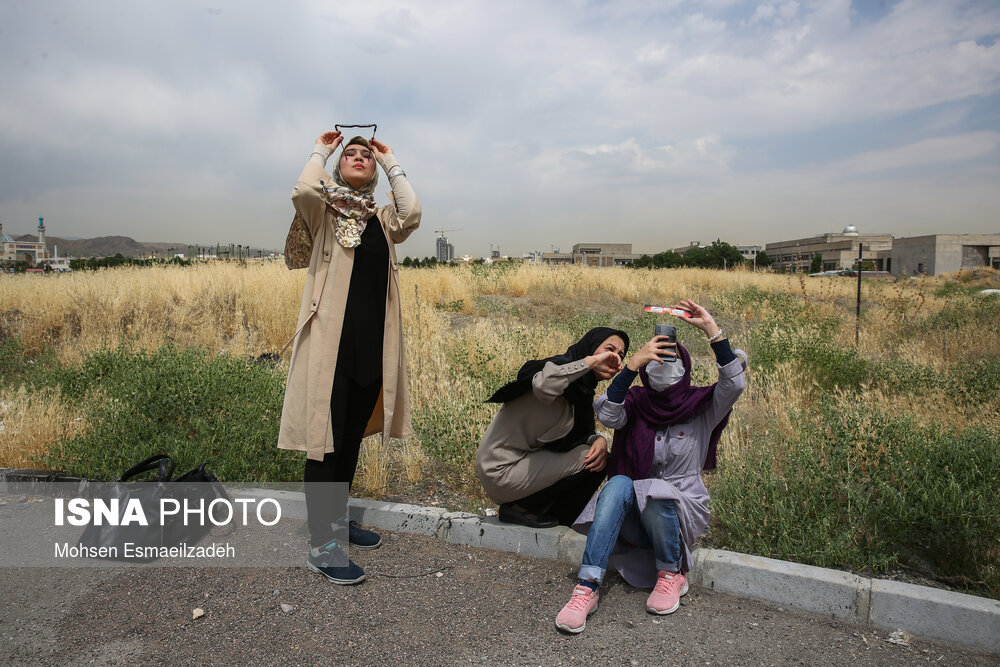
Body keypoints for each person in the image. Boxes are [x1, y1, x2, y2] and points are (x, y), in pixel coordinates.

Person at [277, 130, 420, 585]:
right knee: (325, 443)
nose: (358, 159)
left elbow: (412, 213)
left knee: (353, 437)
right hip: (330, 349)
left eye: (366, 156)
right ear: (338, 167)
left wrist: (391, 159)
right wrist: (322, 150)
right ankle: (321, 545)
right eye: (350, 155)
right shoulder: (324, 211)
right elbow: (302, 188)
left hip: (373, 349)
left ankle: (337, 522)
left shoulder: (380, 218)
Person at [555, 299, 746, 633]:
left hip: (679, 509)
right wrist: (629, 368)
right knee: (618, 484)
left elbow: (734, 383)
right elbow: (608, 414)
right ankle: (587, 587)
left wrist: (711, 330)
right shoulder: (636, 401)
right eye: (656, 359)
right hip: (634, 518)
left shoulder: (702, 406)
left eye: (671, 358)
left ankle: (671, 573)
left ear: (685, 367)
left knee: (656, 490)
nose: (663, 364)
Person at [475, 327, 630, 528]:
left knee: (596, 457)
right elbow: (544, 385)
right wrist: (590, 361)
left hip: (521, 463)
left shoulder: (581, 392)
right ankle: (524, 511)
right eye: (609, 349)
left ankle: (548, 520)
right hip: (500, 469)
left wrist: (598, 439)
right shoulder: (558, 375)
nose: (613, 357)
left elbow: (579, 435)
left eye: (620, 355)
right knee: (588, 461)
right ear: (590, 347)